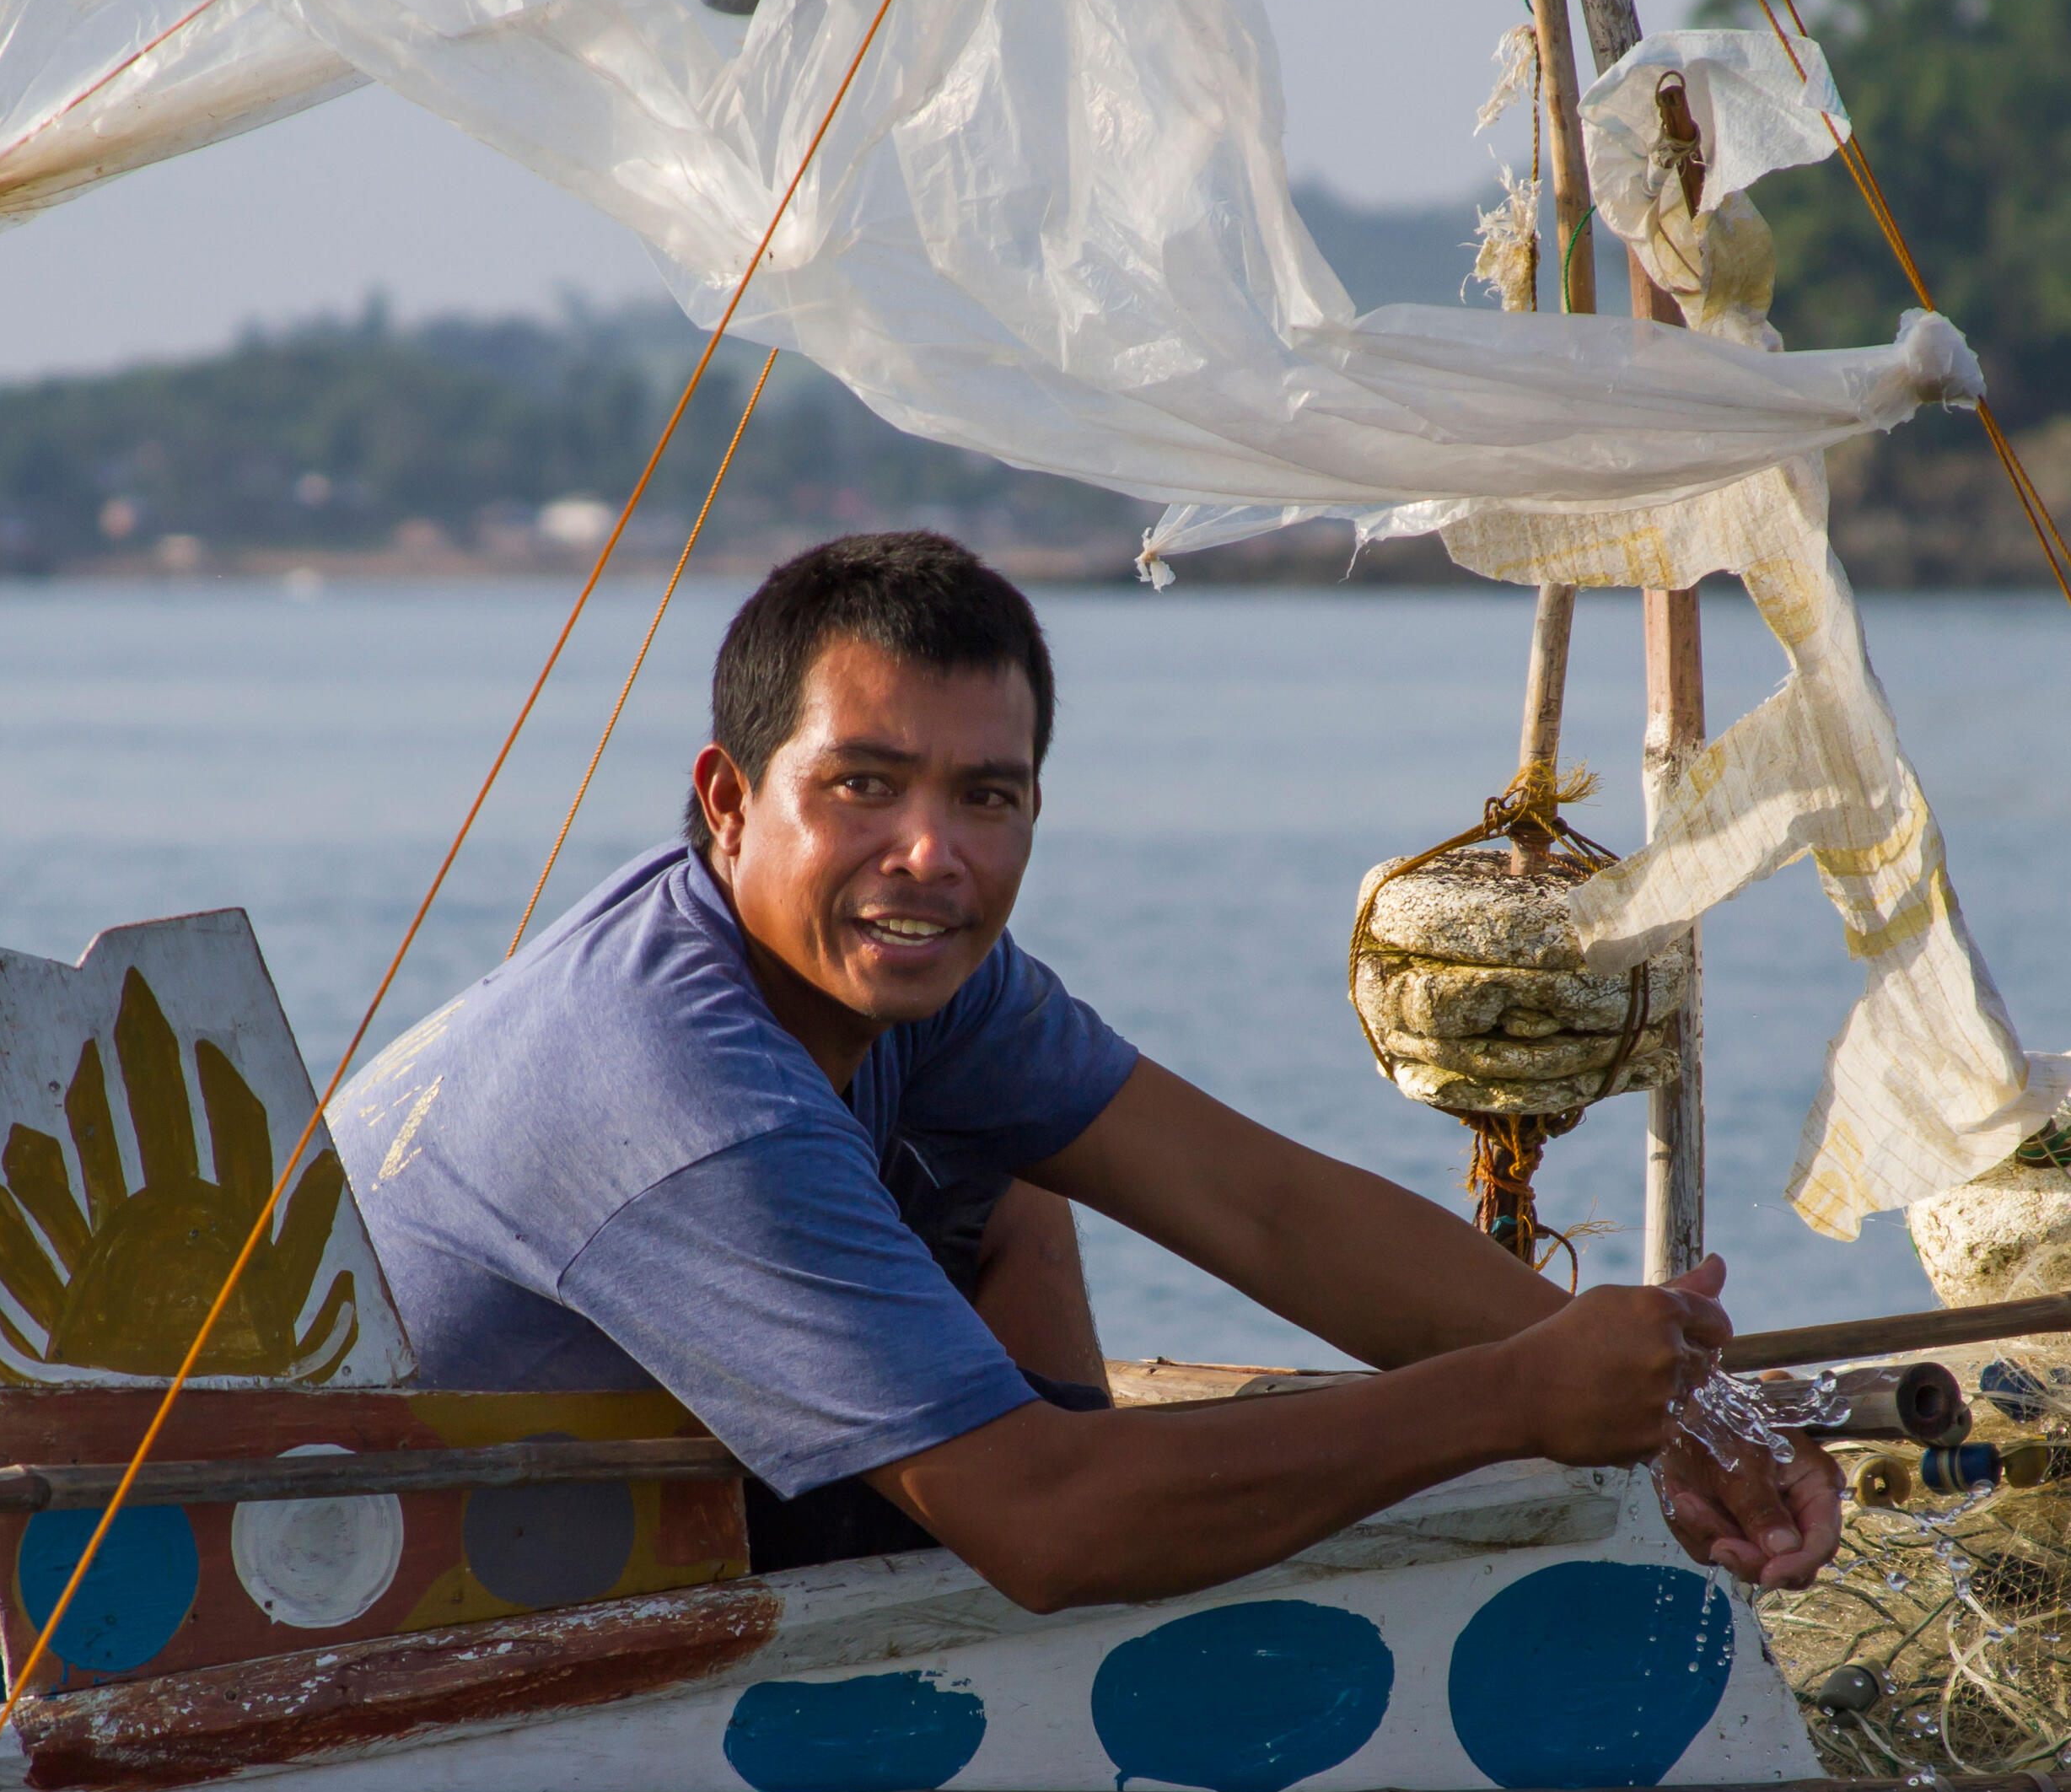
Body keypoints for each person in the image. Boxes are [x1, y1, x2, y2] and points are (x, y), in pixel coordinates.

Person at [331, 532, 1839, 1612]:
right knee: (1060, 1475)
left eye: (985, 797)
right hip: (351, 1606)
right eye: (862, 786)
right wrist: (1514, 1398)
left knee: (1007, 1158)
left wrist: (1700, 1424)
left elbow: (1259, 1210)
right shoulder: (677, 1084)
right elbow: (1049, 1531)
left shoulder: (928, 984)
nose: (929, 856)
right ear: (727, 805)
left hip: (651, 1519)